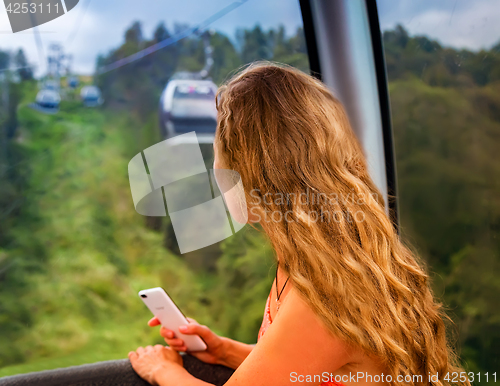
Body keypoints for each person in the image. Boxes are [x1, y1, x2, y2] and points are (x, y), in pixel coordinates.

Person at [128, 62, 470, 386]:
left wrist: (163, 371)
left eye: (219, 150)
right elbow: (313, 369)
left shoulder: (326, 292)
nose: (215, 167)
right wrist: (225, 350)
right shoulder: (322, 262)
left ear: (251, 173)